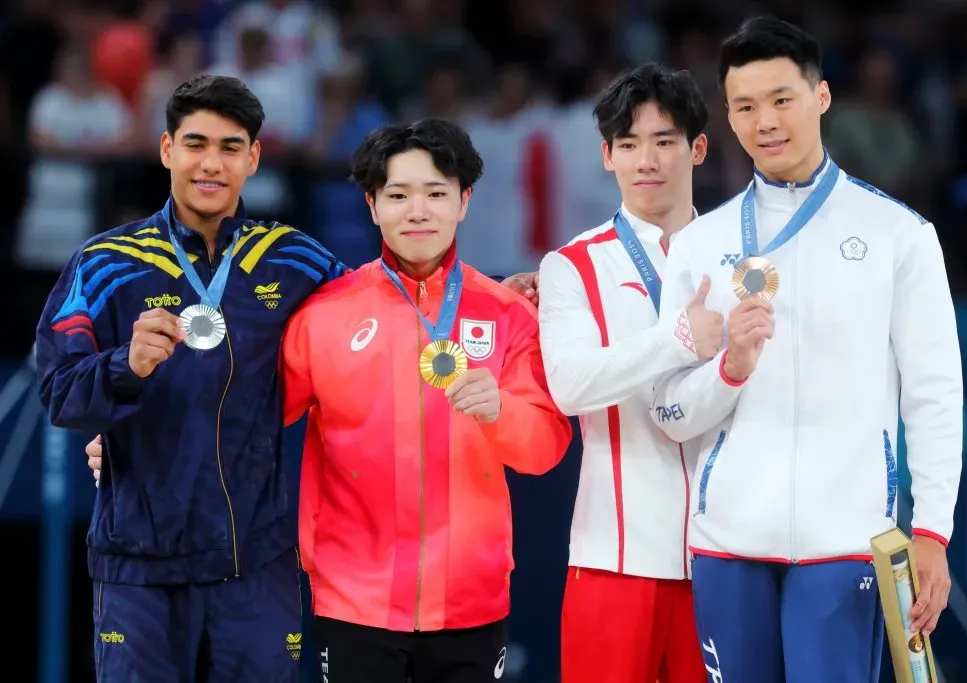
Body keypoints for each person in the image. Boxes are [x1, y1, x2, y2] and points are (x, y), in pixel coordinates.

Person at [650, 16, 962, 683]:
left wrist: (933, 529)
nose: (765, 120)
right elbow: (667, 411)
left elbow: (934, 394)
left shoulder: (898, 236)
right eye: (745, 106)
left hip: (846, 541)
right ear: (727, 119)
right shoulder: (699, 248)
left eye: (781, 99)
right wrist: (728, 370)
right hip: (726, 543)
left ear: (821, 98)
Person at [36, 74, 341, 681]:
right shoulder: (103, 264)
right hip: (138, 568)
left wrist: (503, 295)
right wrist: (126, 364)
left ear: (254, 158)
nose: (211, 163)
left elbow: (384, 317)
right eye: (195, 143)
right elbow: (58, 391)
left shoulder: (297, 259)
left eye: (231, 147)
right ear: (166, 149)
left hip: (255, 562)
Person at [279, 118, 573, 682]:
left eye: (437, 193)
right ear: (372, 205)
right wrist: (134, 438)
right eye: (399, 194)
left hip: (471, 600)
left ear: (464, 201)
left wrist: (500, 412)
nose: (419, 211)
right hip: (352, 601)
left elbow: (544, 449)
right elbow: (249, 419)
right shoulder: (323, 315)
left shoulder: (508, 314)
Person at [538, 63, 724, 683]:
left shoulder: (741, 260)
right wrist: (675, 340)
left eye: (665, 141)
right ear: (606, 156)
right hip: (613, 556)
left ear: (697, 147)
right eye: (628, 143)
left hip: (726, 554)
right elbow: (570, 385)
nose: (647, 159)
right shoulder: (571, 266)